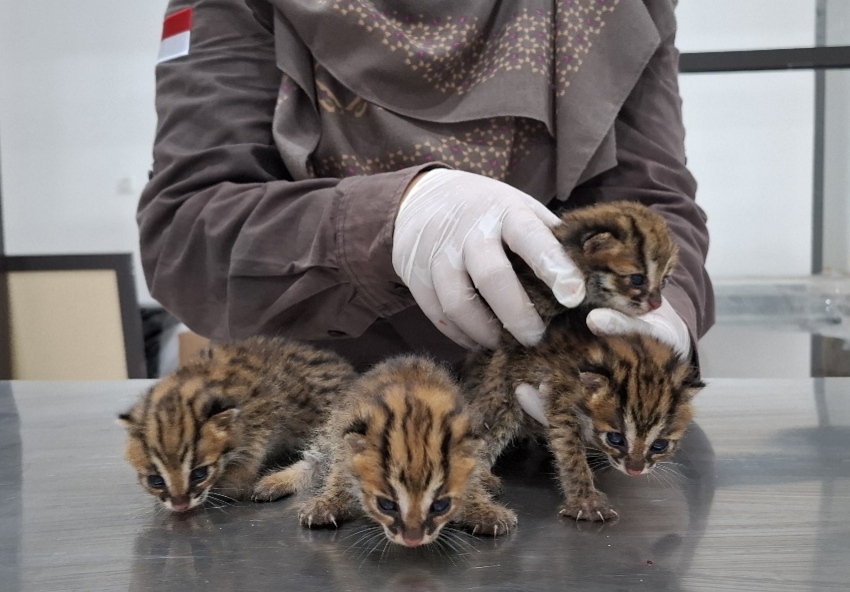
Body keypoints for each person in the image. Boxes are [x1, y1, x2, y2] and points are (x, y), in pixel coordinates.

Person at [138, 0, 714, 372]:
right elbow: (186, 235)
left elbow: (651, 203)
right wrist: (390, 219)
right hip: (321, 428)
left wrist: (663, 321)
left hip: (551, 410)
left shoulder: (610, 10)